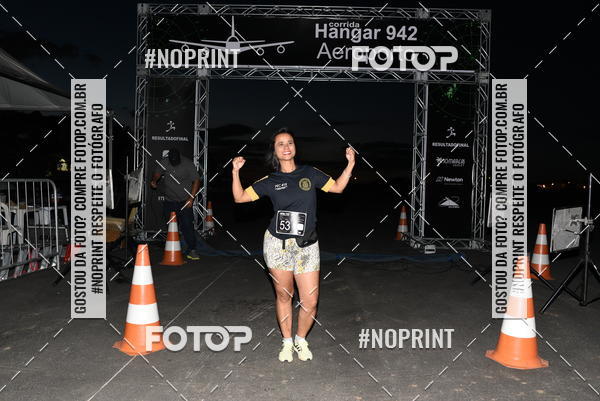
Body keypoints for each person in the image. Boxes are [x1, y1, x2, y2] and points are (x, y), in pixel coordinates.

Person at [231, 127, 355, 362]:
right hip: (277, 245)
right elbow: (240, 197)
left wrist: (350, 164)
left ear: (295, 147)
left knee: (310, 300)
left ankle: (301, 339)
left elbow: (338, 187)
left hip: (307, 245)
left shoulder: (310, 173)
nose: (286, 147)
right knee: (284, 295)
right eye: (280, 144)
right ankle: (287, 342)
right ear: (275, 151)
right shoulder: (270, 180)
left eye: (289, 142)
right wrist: (235, 172)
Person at [150, 148, 201, 260]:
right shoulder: (165, 161)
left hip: (184, 201)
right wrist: (154, 180)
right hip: (170, 201)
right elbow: (157, 172)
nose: (174, 163)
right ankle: (173, 248)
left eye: (176, 161)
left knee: (187, 225)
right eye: (172, 161)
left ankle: (192, 250)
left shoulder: (188, 164)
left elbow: (196, 180)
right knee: (171, 226)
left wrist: (191, 198)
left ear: (179, 158)